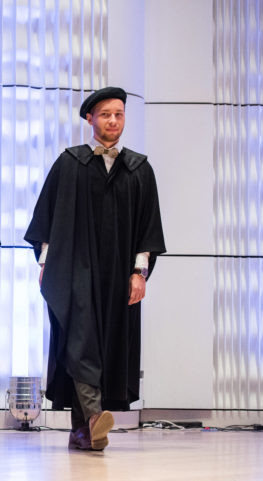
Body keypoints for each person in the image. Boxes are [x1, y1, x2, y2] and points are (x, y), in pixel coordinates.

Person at [25, 87, 166, 451]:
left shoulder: (139, 169)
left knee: (105, 346)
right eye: (105, 114)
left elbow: (148, 227)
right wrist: (45, 264)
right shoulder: (69, 164)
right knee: (80, 337)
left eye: (119, 114)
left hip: (119, 274)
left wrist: (139, 273)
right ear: (90, 118)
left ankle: (83, 429)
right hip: (74, 270)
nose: (113, 121)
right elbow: (48, 218)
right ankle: (92, 417)